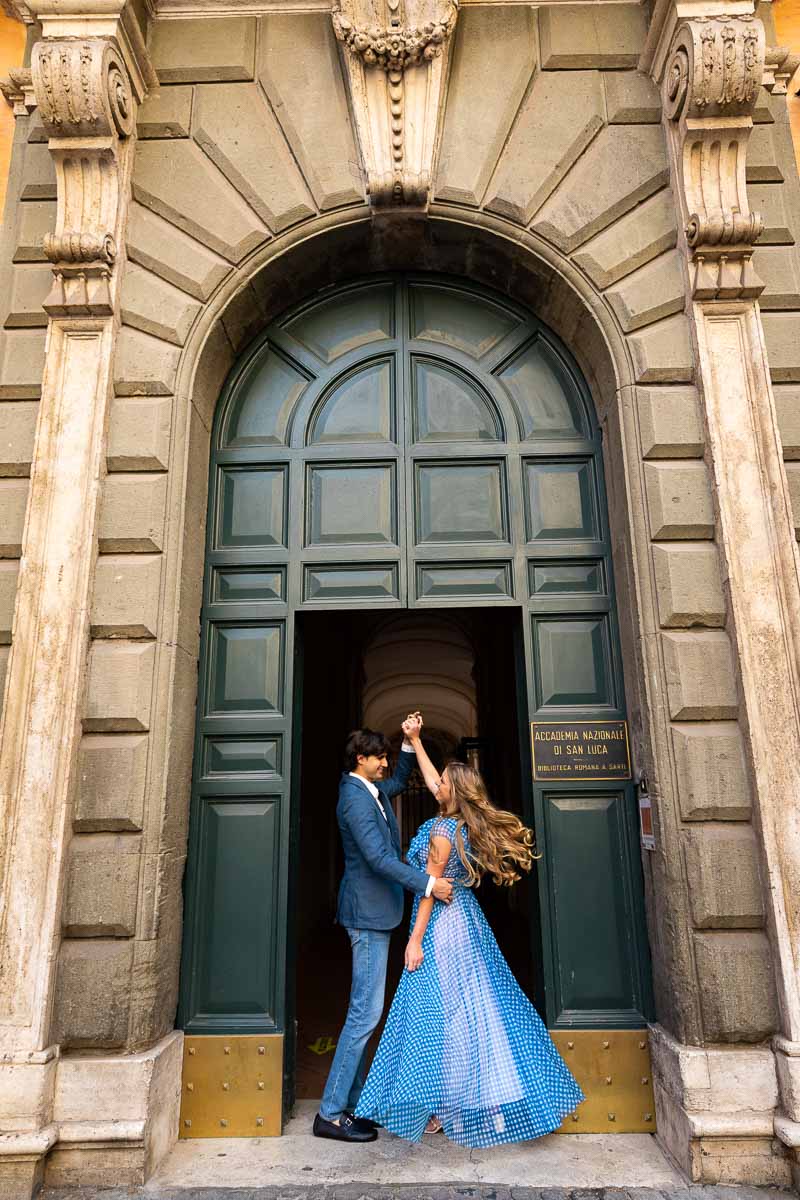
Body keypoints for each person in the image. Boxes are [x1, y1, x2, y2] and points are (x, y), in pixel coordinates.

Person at [354, 713, 585, 1147]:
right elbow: (433, 781)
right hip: (468, 922)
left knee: (438, 1015)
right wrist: (416, 741)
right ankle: (485, 1096)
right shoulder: (458, 824)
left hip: (442, 925)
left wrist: (415, 940)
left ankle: (448, 1104)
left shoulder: (442, 831)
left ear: (452, 792)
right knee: (478, 1009)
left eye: (442, 780)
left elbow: (429, 891)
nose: (435, 783)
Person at [313, 726, 454, 1143]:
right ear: (361, 759)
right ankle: (330, 1113)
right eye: (381, 758)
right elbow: (376, 858)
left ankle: (353, 1104)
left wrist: (410, 742)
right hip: (368, 914)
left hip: (378, 913)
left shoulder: (369, 788)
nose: (386, 765)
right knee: (364, 1014)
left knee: (363, 1012)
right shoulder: (354, 799)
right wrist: (427, 885)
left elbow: (395, 781)